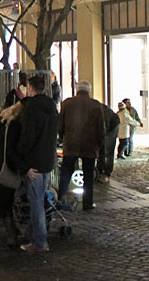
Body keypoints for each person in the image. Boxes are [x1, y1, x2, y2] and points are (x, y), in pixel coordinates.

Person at [15, 75, 58, 253]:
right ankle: (34, 234)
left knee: (36, 202)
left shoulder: (31, 108)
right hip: (47, 160)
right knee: (39, 199)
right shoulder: (52, 106)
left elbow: (28, 137)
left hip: (34, 162)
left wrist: (21, 156)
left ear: (30, 89)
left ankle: (40, 241)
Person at [57, 80, 105, 211]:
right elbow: (101, 129)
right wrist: (99, 144)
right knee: (88, 174)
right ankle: (87, 203)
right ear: (89, 90)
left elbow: (60, 124)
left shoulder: (67, 103)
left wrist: (62, 138)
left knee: (66, 172)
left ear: (77, 90)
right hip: (89, 145)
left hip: (70, 144)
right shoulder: (95, 105)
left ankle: (61, 199)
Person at [0, 102, 23, 249]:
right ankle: (1, 237)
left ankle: (9, 236)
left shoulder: (0, 121)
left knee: (3, 200)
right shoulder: (15, 125)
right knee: (3, 201)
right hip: (7, 166)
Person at [97, 103, 119, 183]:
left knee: (108, 150)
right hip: (103, 126)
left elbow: (105, 124)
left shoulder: (99, 110)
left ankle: (106, 172)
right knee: (101, 149)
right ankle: (99, 169)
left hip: (111, 126)